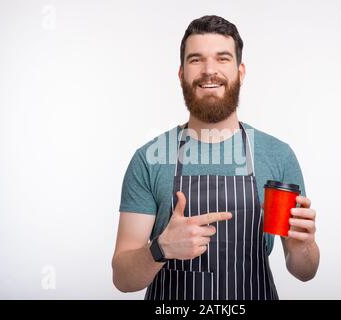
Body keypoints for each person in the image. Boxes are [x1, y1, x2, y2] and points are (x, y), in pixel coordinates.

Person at [112, 15, 320, 300]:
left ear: (241, 72)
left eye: (222, 58)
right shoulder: (149, 159)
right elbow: (123, 278)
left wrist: (302, 247)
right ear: (181, 73)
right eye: (196, 59)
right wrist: (160, 249)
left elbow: (304, 271)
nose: (209, 70)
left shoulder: (277, 155)